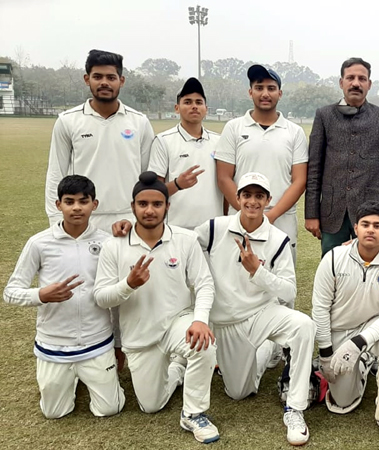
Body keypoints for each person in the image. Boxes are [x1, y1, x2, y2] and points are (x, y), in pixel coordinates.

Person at [94, 172, 219, 444]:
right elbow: (101, 297)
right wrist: (128, 284)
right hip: (140, 336)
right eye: (143, 204)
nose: (149, 210)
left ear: (167, 207)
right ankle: (177, 368)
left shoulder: (185, 240)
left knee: (204, 344)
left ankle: (194, 413)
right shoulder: (113, 245)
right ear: (133, 207)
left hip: (178, 322)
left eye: (157, 204)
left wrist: (199, 320)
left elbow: (205, 284)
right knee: (151, 405)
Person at [194, 172, 316, 447]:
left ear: (268, 200)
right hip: (228, 322)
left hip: (264, 314)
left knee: (303, 326)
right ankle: (265, 351)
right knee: (238, 393)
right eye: (247, 195)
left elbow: (289, 291)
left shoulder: (278, 239)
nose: (252, 201)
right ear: (237, 198)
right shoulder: (214, 228)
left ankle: (295, 408)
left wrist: (258, 271)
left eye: (259, 196)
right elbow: (184, 244)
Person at [4, 175, 125, 420]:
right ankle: (68, 378)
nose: (76, 207)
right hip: (53, 345)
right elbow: (10, 292)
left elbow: (114, 299)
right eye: (69, 202)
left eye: (83, 201)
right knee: (54, 413)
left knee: (109, 409)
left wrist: (118, 344)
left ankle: (97, 377)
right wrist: (41, 294)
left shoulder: (107, 243)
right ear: (58, 205)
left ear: (95, 204)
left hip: (97, 342)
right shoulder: (39, 243)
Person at [312, 201, 379, 445]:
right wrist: (325, 354)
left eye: (377, 225)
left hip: (372, 331)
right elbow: (320, 308)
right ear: (355, 228)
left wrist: (358, 343)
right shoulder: (334, 258)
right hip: (339, 330)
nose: (370, 230)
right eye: (365, 224)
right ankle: (365, 364)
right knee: (342, 404)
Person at [45, 49, 154, 233]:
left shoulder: (139, 122)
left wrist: (140, 217)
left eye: (111, 77)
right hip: (84, 218)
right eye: (98, 76)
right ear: (87, 79)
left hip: (128, 218)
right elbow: (56, 173)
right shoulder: (68, 121)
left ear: (121, 80)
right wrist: (56, 221)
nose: (104, 82)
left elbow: (148, 175)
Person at [305, 57, 379, 256]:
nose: (356, 83)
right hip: (332, 215)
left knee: (369, 273)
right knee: (332, 271)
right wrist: (311, 214)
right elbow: (314, 168)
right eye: (350, 78)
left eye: (362, 78)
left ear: (369, 84)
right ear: (341, 82)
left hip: (371, 216)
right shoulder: (324, 116)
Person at [215, 66, 308, 261]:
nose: (265, 93)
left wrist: (271, 215)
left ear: (279, 93)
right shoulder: (233, 128)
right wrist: (248, 212)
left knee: (280, 279)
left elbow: (299, 181)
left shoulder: (294, 132)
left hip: (281, 219)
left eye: (271, 88)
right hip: (240, 217)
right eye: (259, 88)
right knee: (238, 278)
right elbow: (224, 177)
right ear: (251, 92)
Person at [148, 77, 223, 229]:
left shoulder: (219, 141)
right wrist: (177, 184)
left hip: (214, 229)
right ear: (177, 108)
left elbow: (226, 185)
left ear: (206, 109)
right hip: (176, 228)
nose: (194, 106)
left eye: (198, 102)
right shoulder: (164, 140)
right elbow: (153, 191)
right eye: (187, 102)